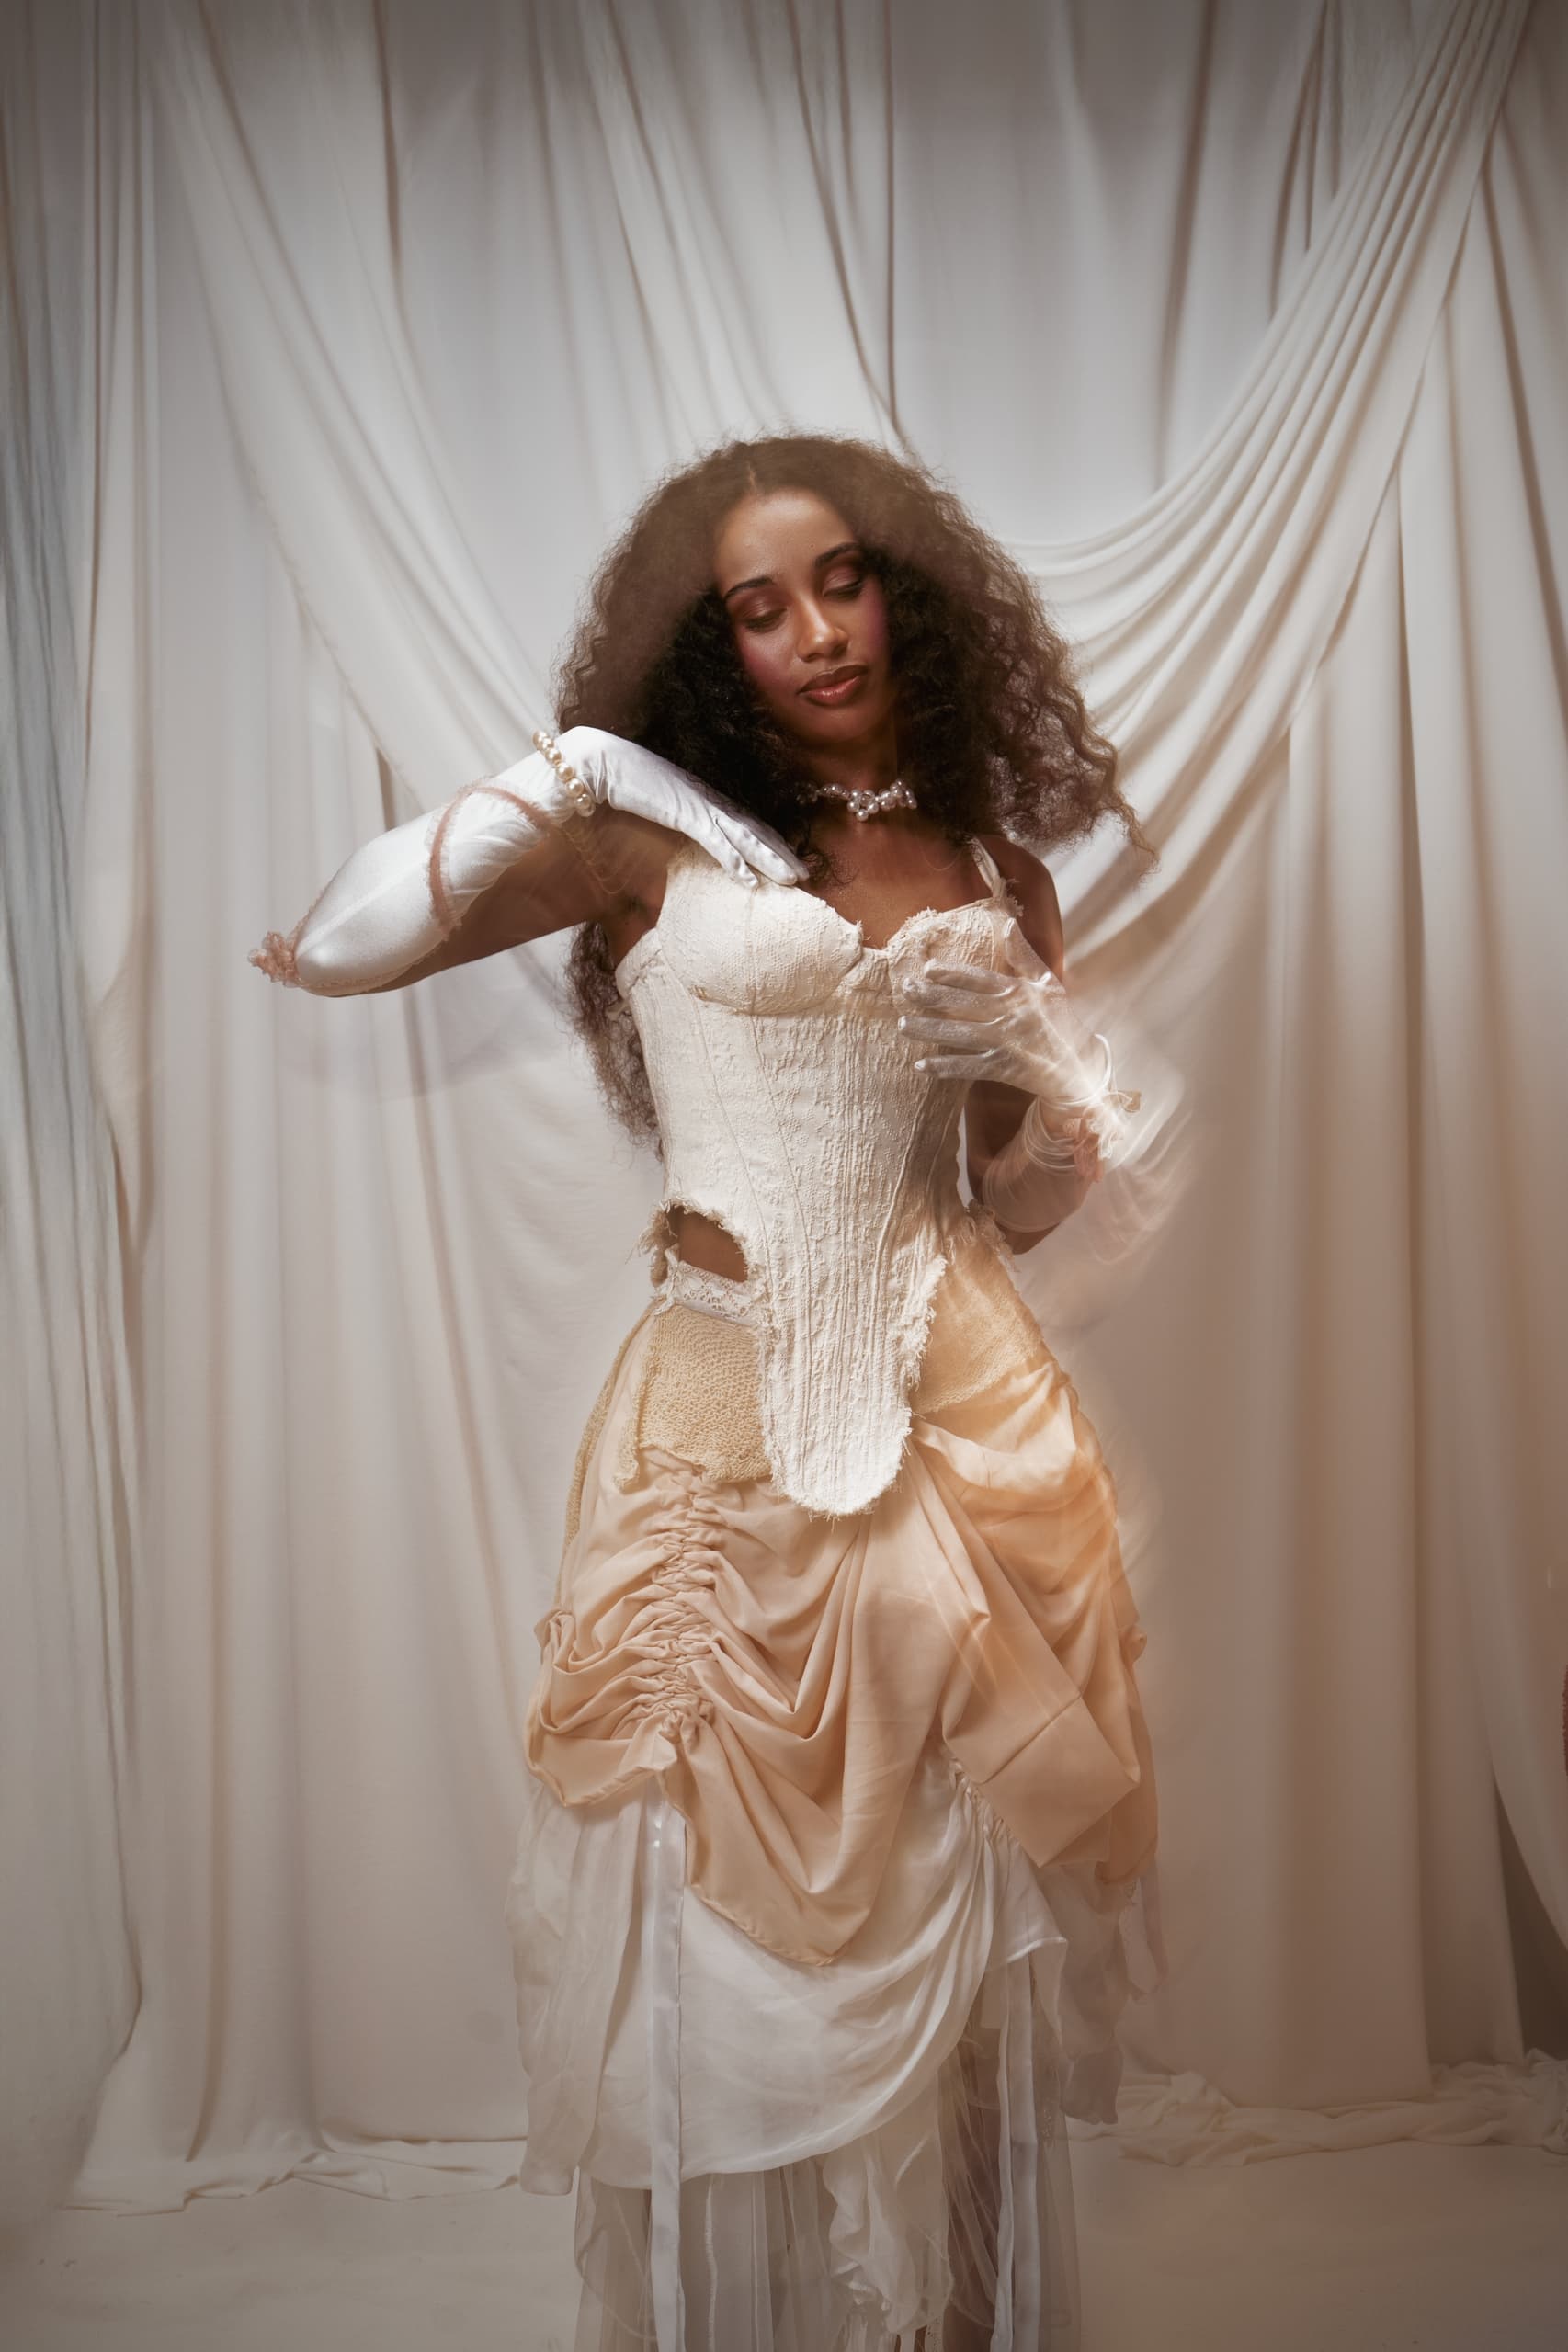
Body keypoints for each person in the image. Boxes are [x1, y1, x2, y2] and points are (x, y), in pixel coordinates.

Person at [252, 433, 1165, 2352]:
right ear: (703, 648)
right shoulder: (642, 840)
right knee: (717, 1957)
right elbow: (345, 939)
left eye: (839, 580)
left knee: (967, 1926)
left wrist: (1043, 1106)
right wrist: (571, 767)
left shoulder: (1000, 866)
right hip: (714, 1431)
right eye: (757, 607)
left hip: (963, 1422)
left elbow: (1006, 1193)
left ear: (900, 593)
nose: (816, 632)